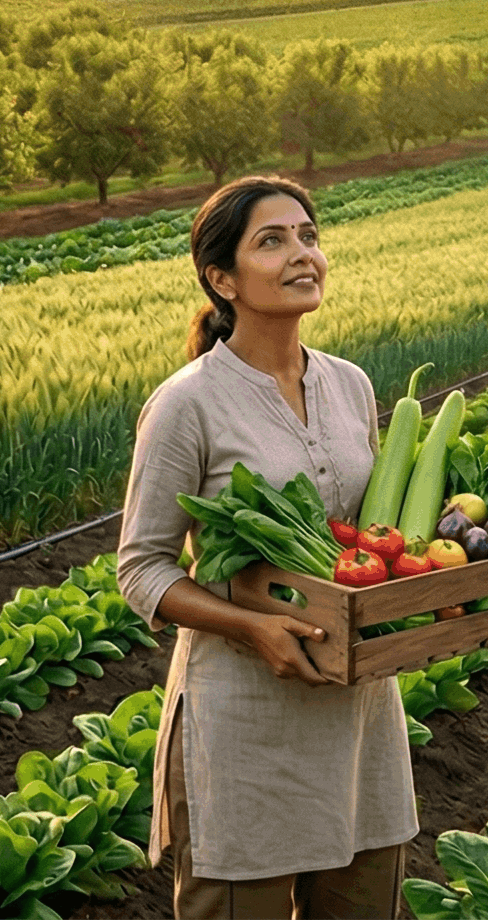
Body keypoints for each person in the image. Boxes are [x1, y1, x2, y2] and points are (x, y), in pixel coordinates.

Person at [114, 176, 417, 919]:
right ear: (223, 279)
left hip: (361, 717)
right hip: (243, 724)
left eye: (308, 235)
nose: (301, 253)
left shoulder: (350, 385)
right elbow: (142, 569)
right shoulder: (188, 403)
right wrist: (253, 627)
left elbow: (369, 540)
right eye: (272, 241)